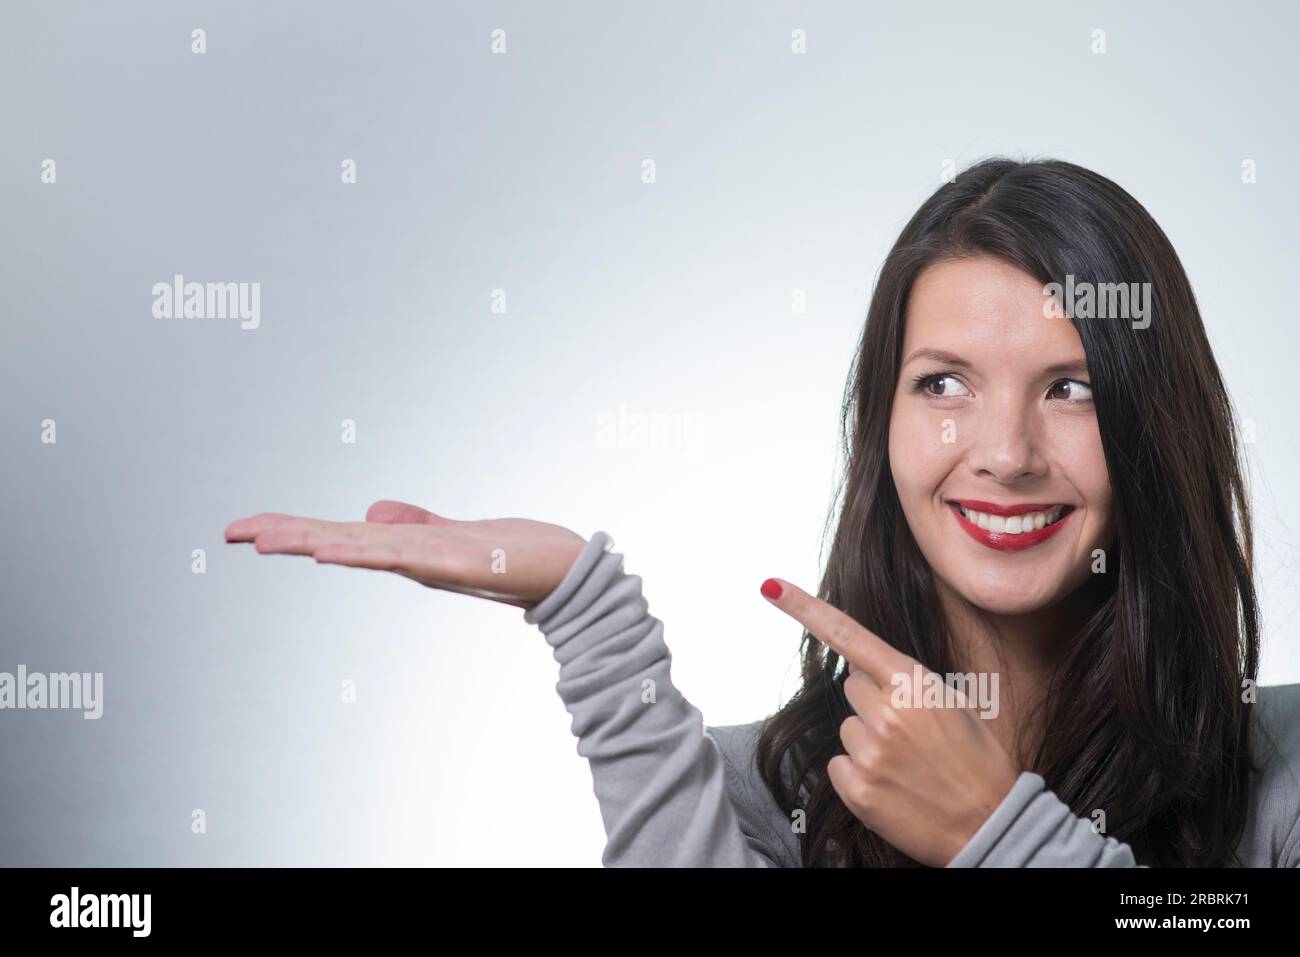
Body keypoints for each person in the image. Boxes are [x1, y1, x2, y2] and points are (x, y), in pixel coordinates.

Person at [226, 158, 1300, 867]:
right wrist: (582, 612)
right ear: (878, 428)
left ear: (1156, 424)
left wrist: (993, 836)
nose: (1006, 454)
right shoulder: (762, 796)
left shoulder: (1283, 781)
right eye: (943, 384)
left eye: (1071, 388)